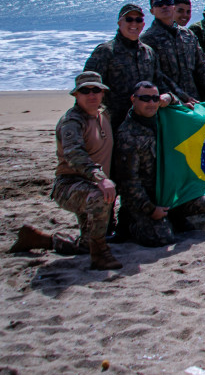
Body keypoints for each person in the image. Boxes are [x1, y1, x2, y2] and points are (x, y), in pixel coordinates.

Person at [8, 72, 121, 269]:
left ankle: (38, 239)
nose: (91, 94)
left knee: (85, 245)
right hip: (70, 185)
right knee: (100, 197)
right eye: (85, 90)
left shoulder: (104, 116)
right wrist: (101, 178)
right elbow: (74, 155)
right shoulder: (73, 122)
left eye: (96, 90)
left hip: (93, 184)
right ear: (76, 95)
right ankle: (100, 255)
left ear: (103, 93)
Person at [114, 81, 205, 246]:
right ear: (133, 99)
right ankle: (130, 225)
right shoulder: (128, 135)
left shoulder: (164, 116)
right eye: (145, 98)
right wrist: (151, 209)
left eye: (155, 98)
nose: (151, 103)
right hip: (146, 200)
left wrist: (170, 97)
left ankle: (173, 216)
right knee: (162, 237)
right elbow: (129, 183)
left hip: (168, 193)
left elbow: (180, 107)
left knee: (203, 202)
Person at [83, 2, 179, 128]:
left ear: (143, 24)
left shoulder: (149, 52)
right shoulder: (105, 51)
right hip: (114, 123)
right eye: (129, 19)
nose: (134, 24)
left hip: (144, 124)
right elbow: (86, 88)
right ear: (119, 23)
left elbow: (158, 84)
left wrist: (169, 96)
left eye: (138, 20)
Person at [142, 0, 205, 104]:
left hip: (195, 101)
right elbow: (155, 76)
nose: (164, 6)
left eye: (168, 3)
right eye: (159, 4)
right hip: (168, 105)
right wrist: (180, 98)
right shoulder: (147, 40)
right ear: (152, 11)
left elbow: (202, 65)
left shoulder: (188, 35)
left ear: (173, 7)